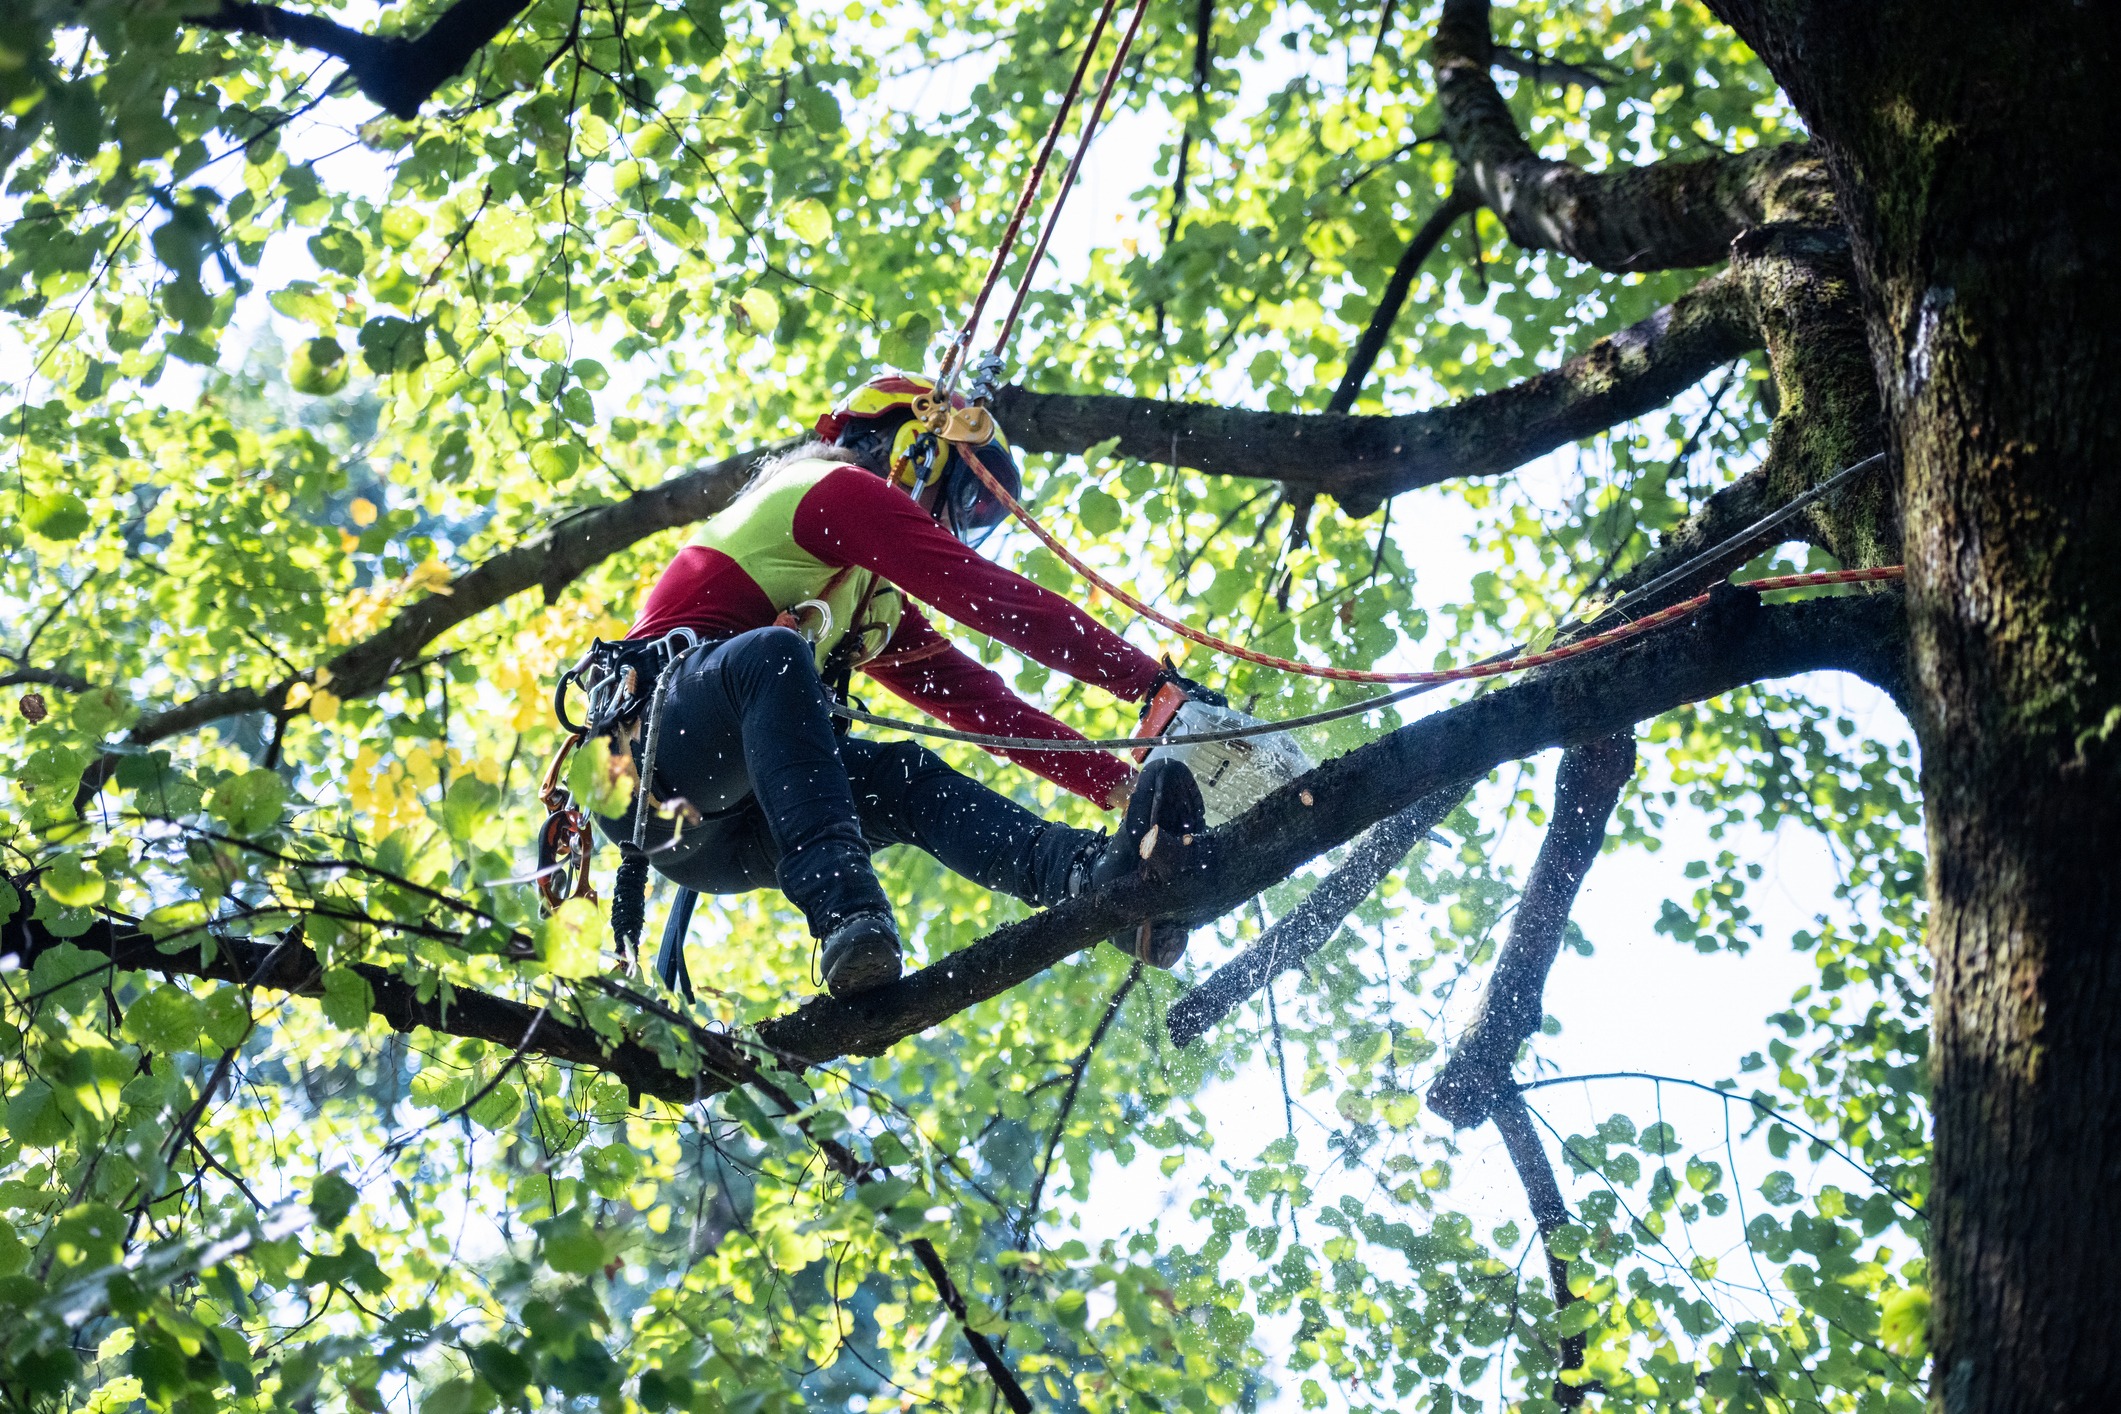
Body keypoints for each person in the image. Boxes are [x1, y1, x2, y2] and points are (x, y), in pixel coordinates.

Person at [581, 372, 1224, 996]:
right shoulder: (827, 489)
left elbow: (984, 708)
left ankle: (1095, 878)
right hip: (651, 760)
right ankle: (847, 913)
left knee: (908, 778)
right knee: (773, 656)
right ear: (914, 444)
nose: (954, 518)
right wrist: (1148, 685)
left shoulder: (869, 604)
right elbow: (987, 597)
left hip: (732, 832)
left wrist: (1118, 785)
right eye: (964, 492)